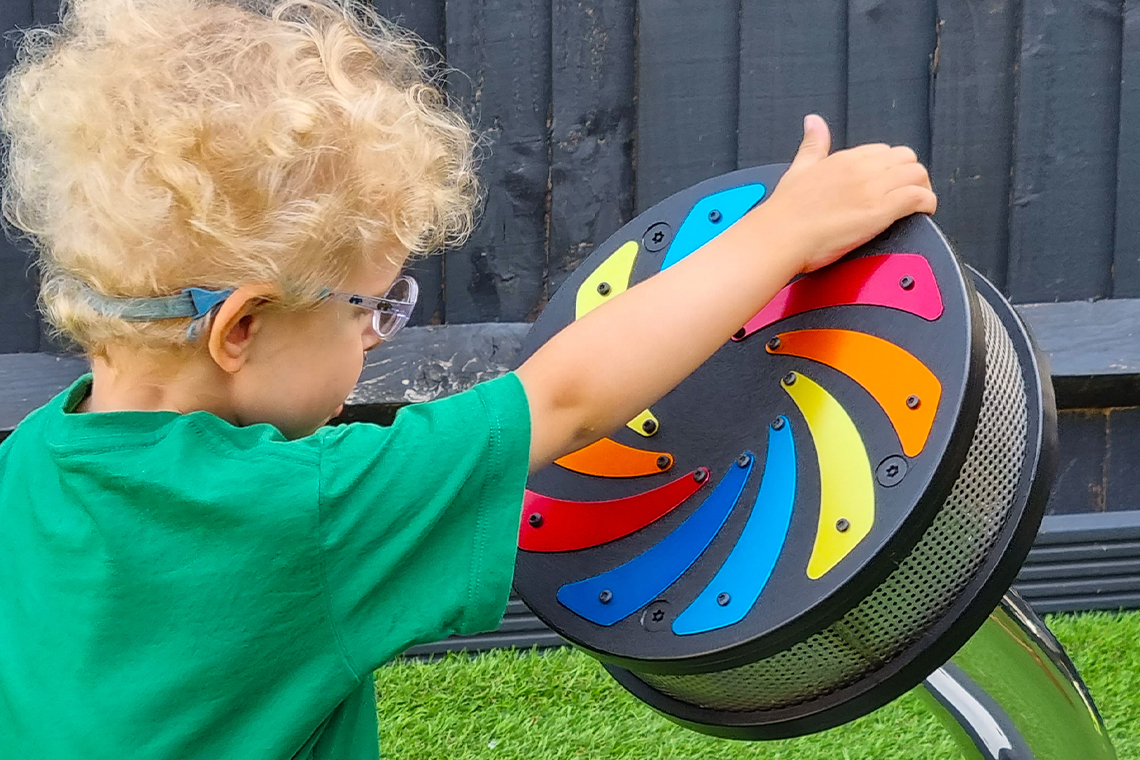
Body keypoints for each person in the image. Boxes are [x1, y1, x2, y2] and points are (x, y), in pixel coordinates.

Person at [0, 0, 937, 757]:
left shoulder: (30, 464)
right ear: (241, 327)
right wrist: (785, 233)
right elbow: (566, 398)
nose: (377, 338)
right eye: (370, 307)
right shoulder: (304, 508)